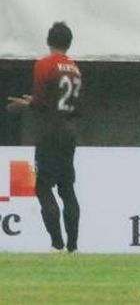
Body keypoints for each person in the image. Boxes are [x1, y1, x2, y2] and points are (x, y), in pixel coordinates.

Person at [7, 22, 82, 253]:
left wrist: (27, 103)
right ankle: (73, 246)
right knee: (67, 188)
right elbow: (76, 107)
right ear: (68, 43)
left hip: (50, 131)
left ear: (49, 41)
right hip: (69, 131)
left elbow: (40, 101)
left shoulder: (44, 64)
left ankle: (57, 244)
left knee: (43, 186)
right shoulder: (75, 69)